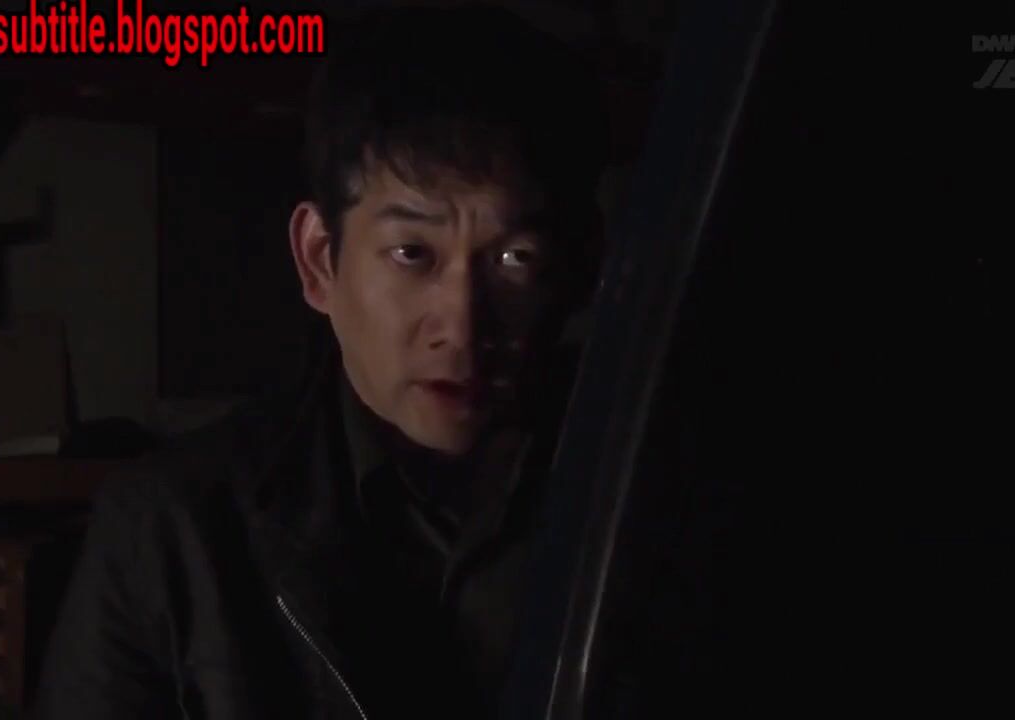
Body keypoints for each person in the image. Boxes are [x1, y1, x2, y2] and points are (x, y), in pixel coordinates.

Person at [35, 4, 607, 718]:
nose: (462, 325)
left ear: (577, 271)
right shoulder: (173, 534)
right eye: (412, 253)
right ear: (319, 260)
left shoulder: (647, 500)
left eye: (514, 259)